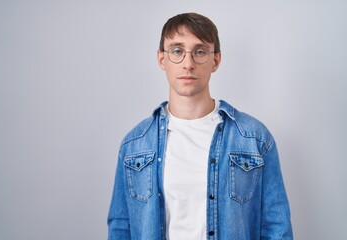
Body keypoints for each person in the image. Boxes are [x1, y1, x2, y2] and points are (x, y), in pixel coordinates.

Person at [107, 12, 293, 240]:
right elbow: (120, 228)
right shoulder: (134, 144)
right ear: (161, 59)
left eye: (200, 51)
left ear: (215, 60)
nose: (188, 63)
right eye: (177, 51)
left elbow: (276, 228)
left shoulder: (254, 139)